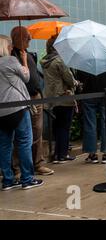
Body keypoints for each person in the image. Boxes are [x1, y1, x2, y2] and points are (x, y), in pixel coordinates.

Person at [0, 35, 43, 190]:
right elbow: (26, 77)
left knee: (4, 145)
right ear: (5, 46)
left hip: (1, 111)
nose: (12, 47)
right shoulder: (10, 60)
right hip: (17, 107)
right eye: (10, 45)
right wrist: (24, 60)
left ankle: (7, 180)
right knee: (24, 141)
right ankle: (27, 179)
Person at [10, 26, 53, 176]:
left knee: (37, 132)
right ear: (19, 38)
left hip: (35, 97)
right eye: (27, 37)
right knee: (21, 134)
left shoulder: (25, 53)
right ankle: (17, 167)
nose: (30, 39)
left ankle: (38, 163)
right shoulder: (12, 56)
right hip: (23, 99)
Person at [41, 36, 78, 163]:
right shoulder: (59, 61)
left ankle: (57, 154)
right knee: (64, 127)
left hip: (52, 99)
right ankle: (63, 154)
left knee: (57, 127)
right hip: (64, 97)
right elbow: (69, 79)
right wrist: (76, 83)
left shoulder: (46, 61)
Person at [77, 68, 106, 164]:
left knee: (90, 123)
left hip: (89, 93)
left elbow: (80, 78)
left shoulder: (85, 60)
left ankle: (92, 154)